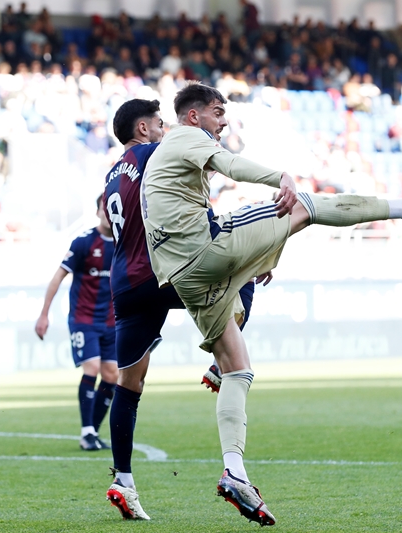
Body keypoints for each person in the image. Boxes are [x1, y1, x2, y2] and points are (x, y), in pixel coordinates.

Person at [141, 82, 402, 526]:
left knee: (236, 368)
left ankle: (235, 472)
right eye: (216, 112)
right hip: (204, 251)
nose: (223, 120)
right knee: (301, 203)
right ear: (193, 116)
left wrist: (255, 256)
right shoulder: (187, 137)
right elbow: (228, 164)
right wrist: (277, 176)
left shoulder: (172, 151)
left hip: (182, 276)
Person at [100, 98, 262, 521]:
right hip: (166, 269)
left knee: (128, 385)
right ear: (142, 130)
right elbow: (205, 170)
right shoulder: (158, 153)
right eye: (158, 123)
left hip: (126, 284)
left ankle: (124, 480)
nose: (165, 128)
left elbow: (106, 224)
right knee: (241, 271)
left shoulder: (111, 175)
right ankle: (219, 363)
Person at [34, 194, 117, 451]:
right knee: (91, 367)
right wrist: (44, 313)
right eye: (103, 209)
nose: (107, 214)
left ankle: (92, 431)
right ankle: (87, 431)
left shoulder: (125, 244)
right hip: (84, 319)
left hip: (113, 321)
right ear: (97, 213)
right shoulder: (83, 242)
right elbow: (58, 277)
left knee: (112, 375)